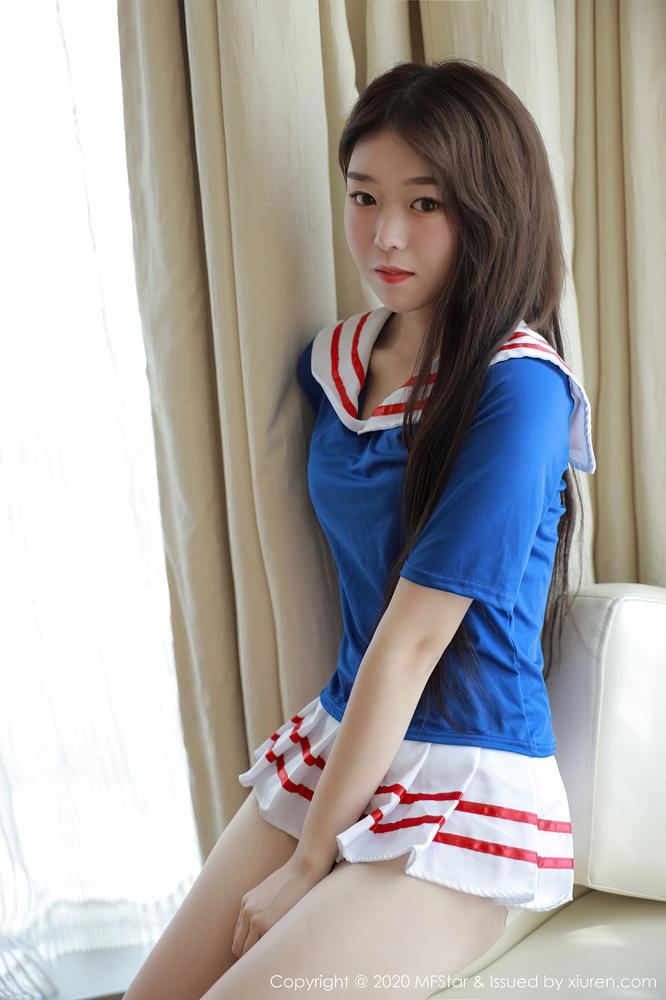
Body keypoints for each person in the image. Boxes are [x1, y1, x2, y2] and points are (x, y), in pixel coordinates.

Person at [123, 58, 596, 1000]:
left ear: (490, 211)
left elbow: (415, 637)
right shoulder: (334, 362)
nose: (385, 234)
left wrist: (310, 860)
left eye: (426, 204)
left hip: (465, 779)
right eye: (363, 196)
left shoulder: (519, 389)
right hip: (340, 739)